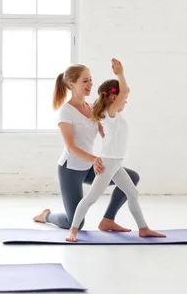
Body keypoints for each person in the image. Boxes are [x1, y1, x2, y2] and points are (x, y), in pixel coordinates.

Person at [66, 59, 166, 242]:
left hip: (116, 163)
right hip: (108, 163)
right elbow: (125, 90)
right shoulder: (110, 113)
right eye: (123, 99)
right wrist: (120, 73)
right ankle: (73, 230)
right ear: (114, 98)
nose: (125, 102)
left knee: (132, 193)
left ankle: (143, 229)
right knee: (91, 198)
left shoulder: (113, 115)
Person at [32, 63, 139, 232]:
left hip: (90, 166)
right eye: (85, 81)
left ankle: (108, 220)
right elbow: (71, 148)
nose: (90, 84)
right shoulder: (66, 112)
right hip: (70, 169)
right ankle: (47, 216)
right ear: (71, 85)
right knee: (74, 222)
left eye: (90, 80)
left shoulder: (92, 107)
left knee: (132, 177)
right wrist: (95, 159)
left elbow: (106, 133)